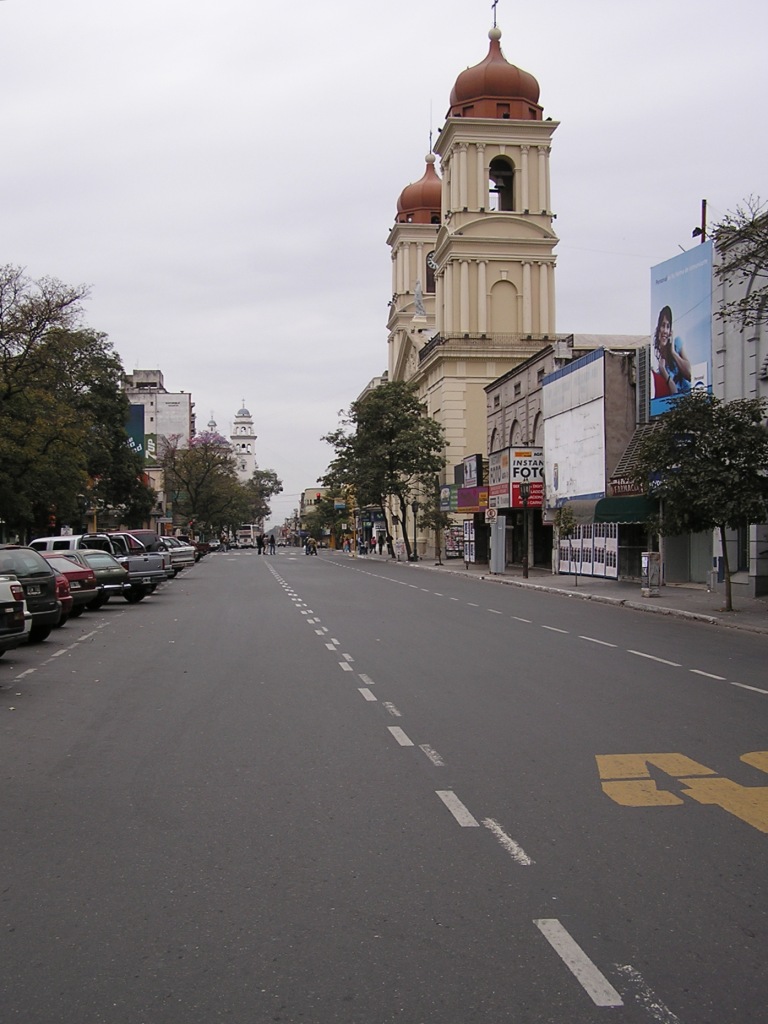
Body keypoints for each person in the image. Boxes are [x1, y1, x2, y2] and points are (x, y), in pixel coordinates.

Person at [652, 305, 691, 397]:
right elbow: (674, 395)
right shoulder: (659, 367)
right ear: (658, 329)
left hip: (692, 398)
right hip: (681, 404)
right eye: (663, 325)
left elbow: (689, 374)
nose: (665, 331)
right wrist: (664, 373)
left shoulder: (677, 343)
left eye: (668, 326)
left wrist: (673, 352)